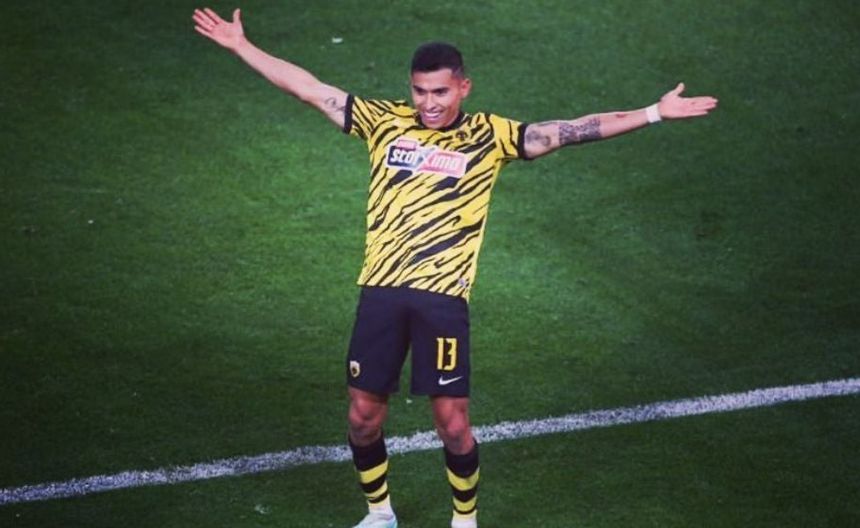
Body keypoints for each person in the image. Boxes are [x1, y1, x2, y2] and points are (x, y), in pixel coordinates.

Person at [192, 7, 718, 528]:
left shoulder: (492, 135)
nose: (428, 103)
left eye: (440, 92)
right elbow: (309, 89)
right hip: (380, 292)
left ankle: (464, 521)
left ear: (464, 87)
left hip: (442, 300)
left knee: (452, 424)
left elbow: (570, 130)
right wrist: (242, 46)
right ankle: (380, 514)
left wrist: (653, 113)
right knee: (362, 416)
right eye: (419, 91)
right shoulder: (384, 122)